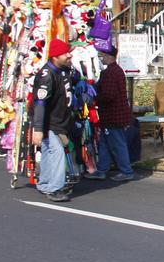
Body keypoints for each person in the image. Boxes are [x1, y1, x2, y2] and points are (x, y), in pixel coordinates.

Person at [31, 39, 76, 202]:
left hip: (61, 121)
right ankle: (55, 188)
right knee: (57, 152)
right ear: (56, 56)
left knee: (49, 153)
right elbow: (40, 103)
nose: (69, 55)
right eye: (66, 53)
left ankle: (45, 183)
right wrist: (38, 129)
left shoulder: (64, 69)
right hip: (49, 122)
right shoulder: (46, 75)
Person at [86, 45, 135, 182]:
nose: (101, 59)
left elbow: (108, 95)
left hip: (113, 114)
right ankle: (102, 169)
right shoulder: (115, 71)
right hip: (112, 114)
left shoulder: (111, 73)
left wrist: (94, 96)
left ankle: (126, 170)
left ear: (109, 57)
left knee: (117, 143)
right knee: (105, 143)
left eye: (102, 56)